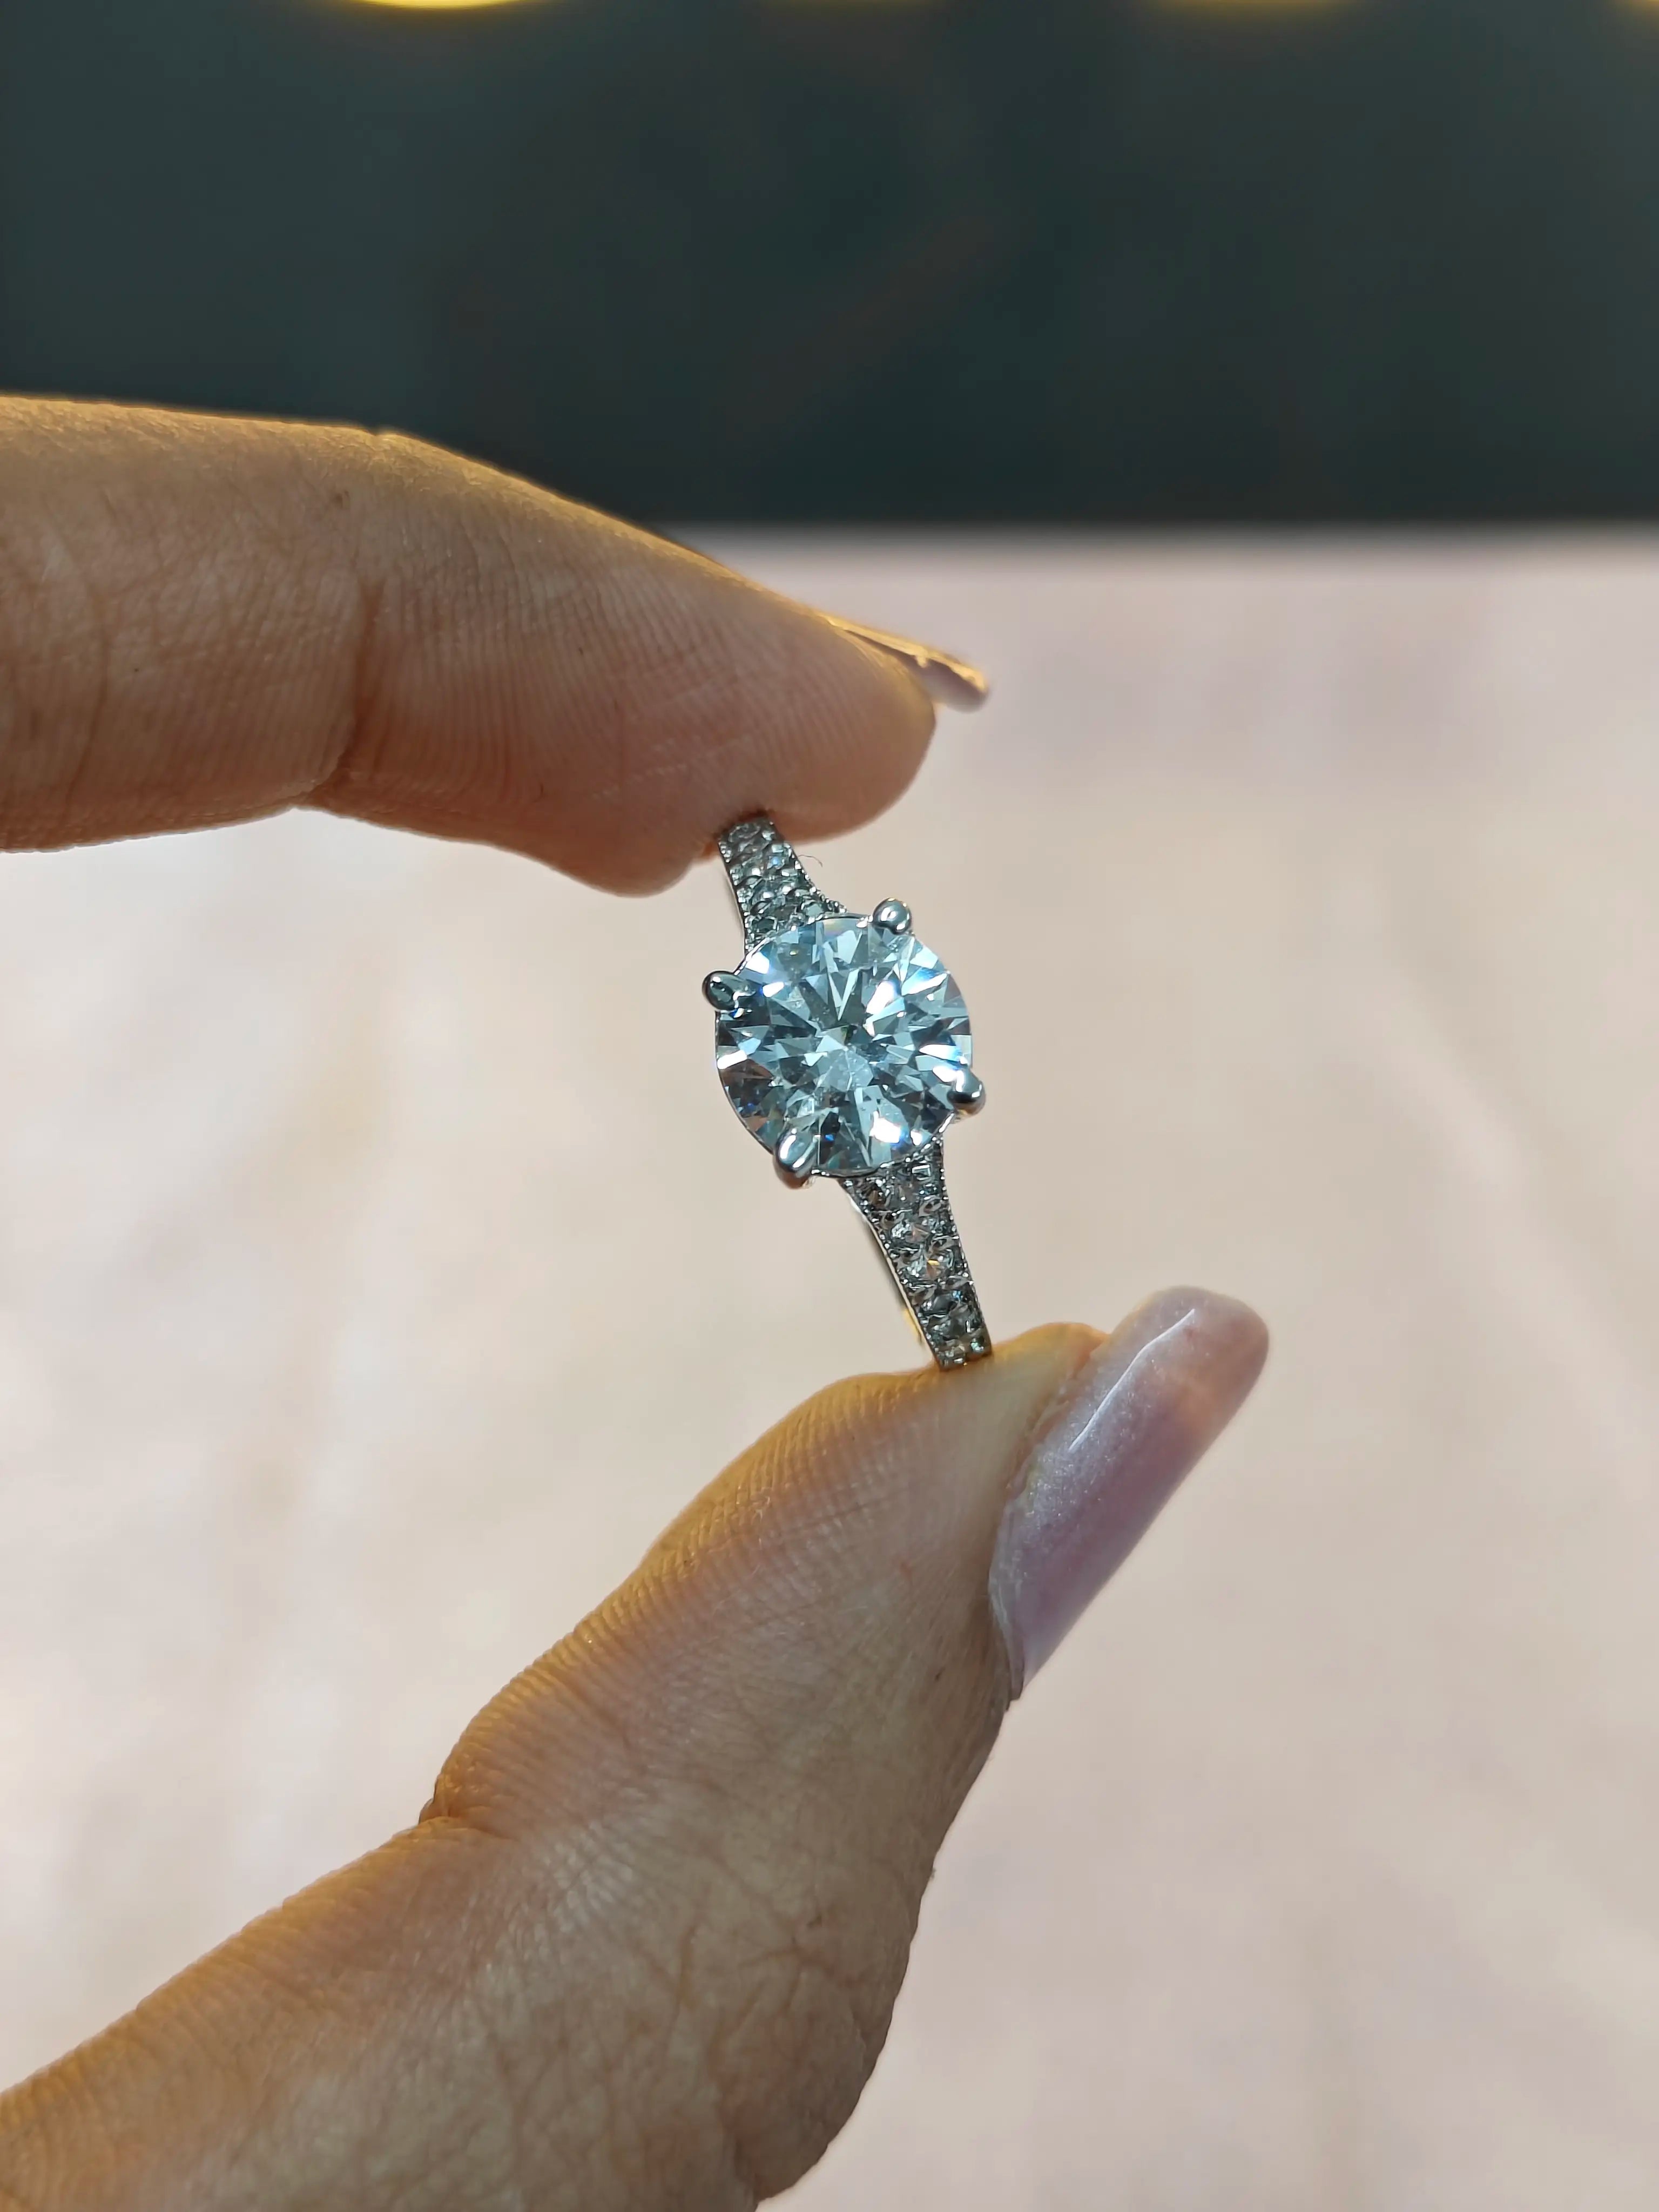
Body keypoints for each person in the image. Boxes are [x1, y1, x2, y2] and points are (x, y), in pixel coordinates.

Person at [0, 401, 1267, 2209]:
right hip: (860, 1086)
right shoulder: (814, 1033)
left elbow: (855, 1065)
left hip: (866, 1077)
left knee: (932, 1269)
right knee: (931, 1283)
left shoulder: (833, 1010)